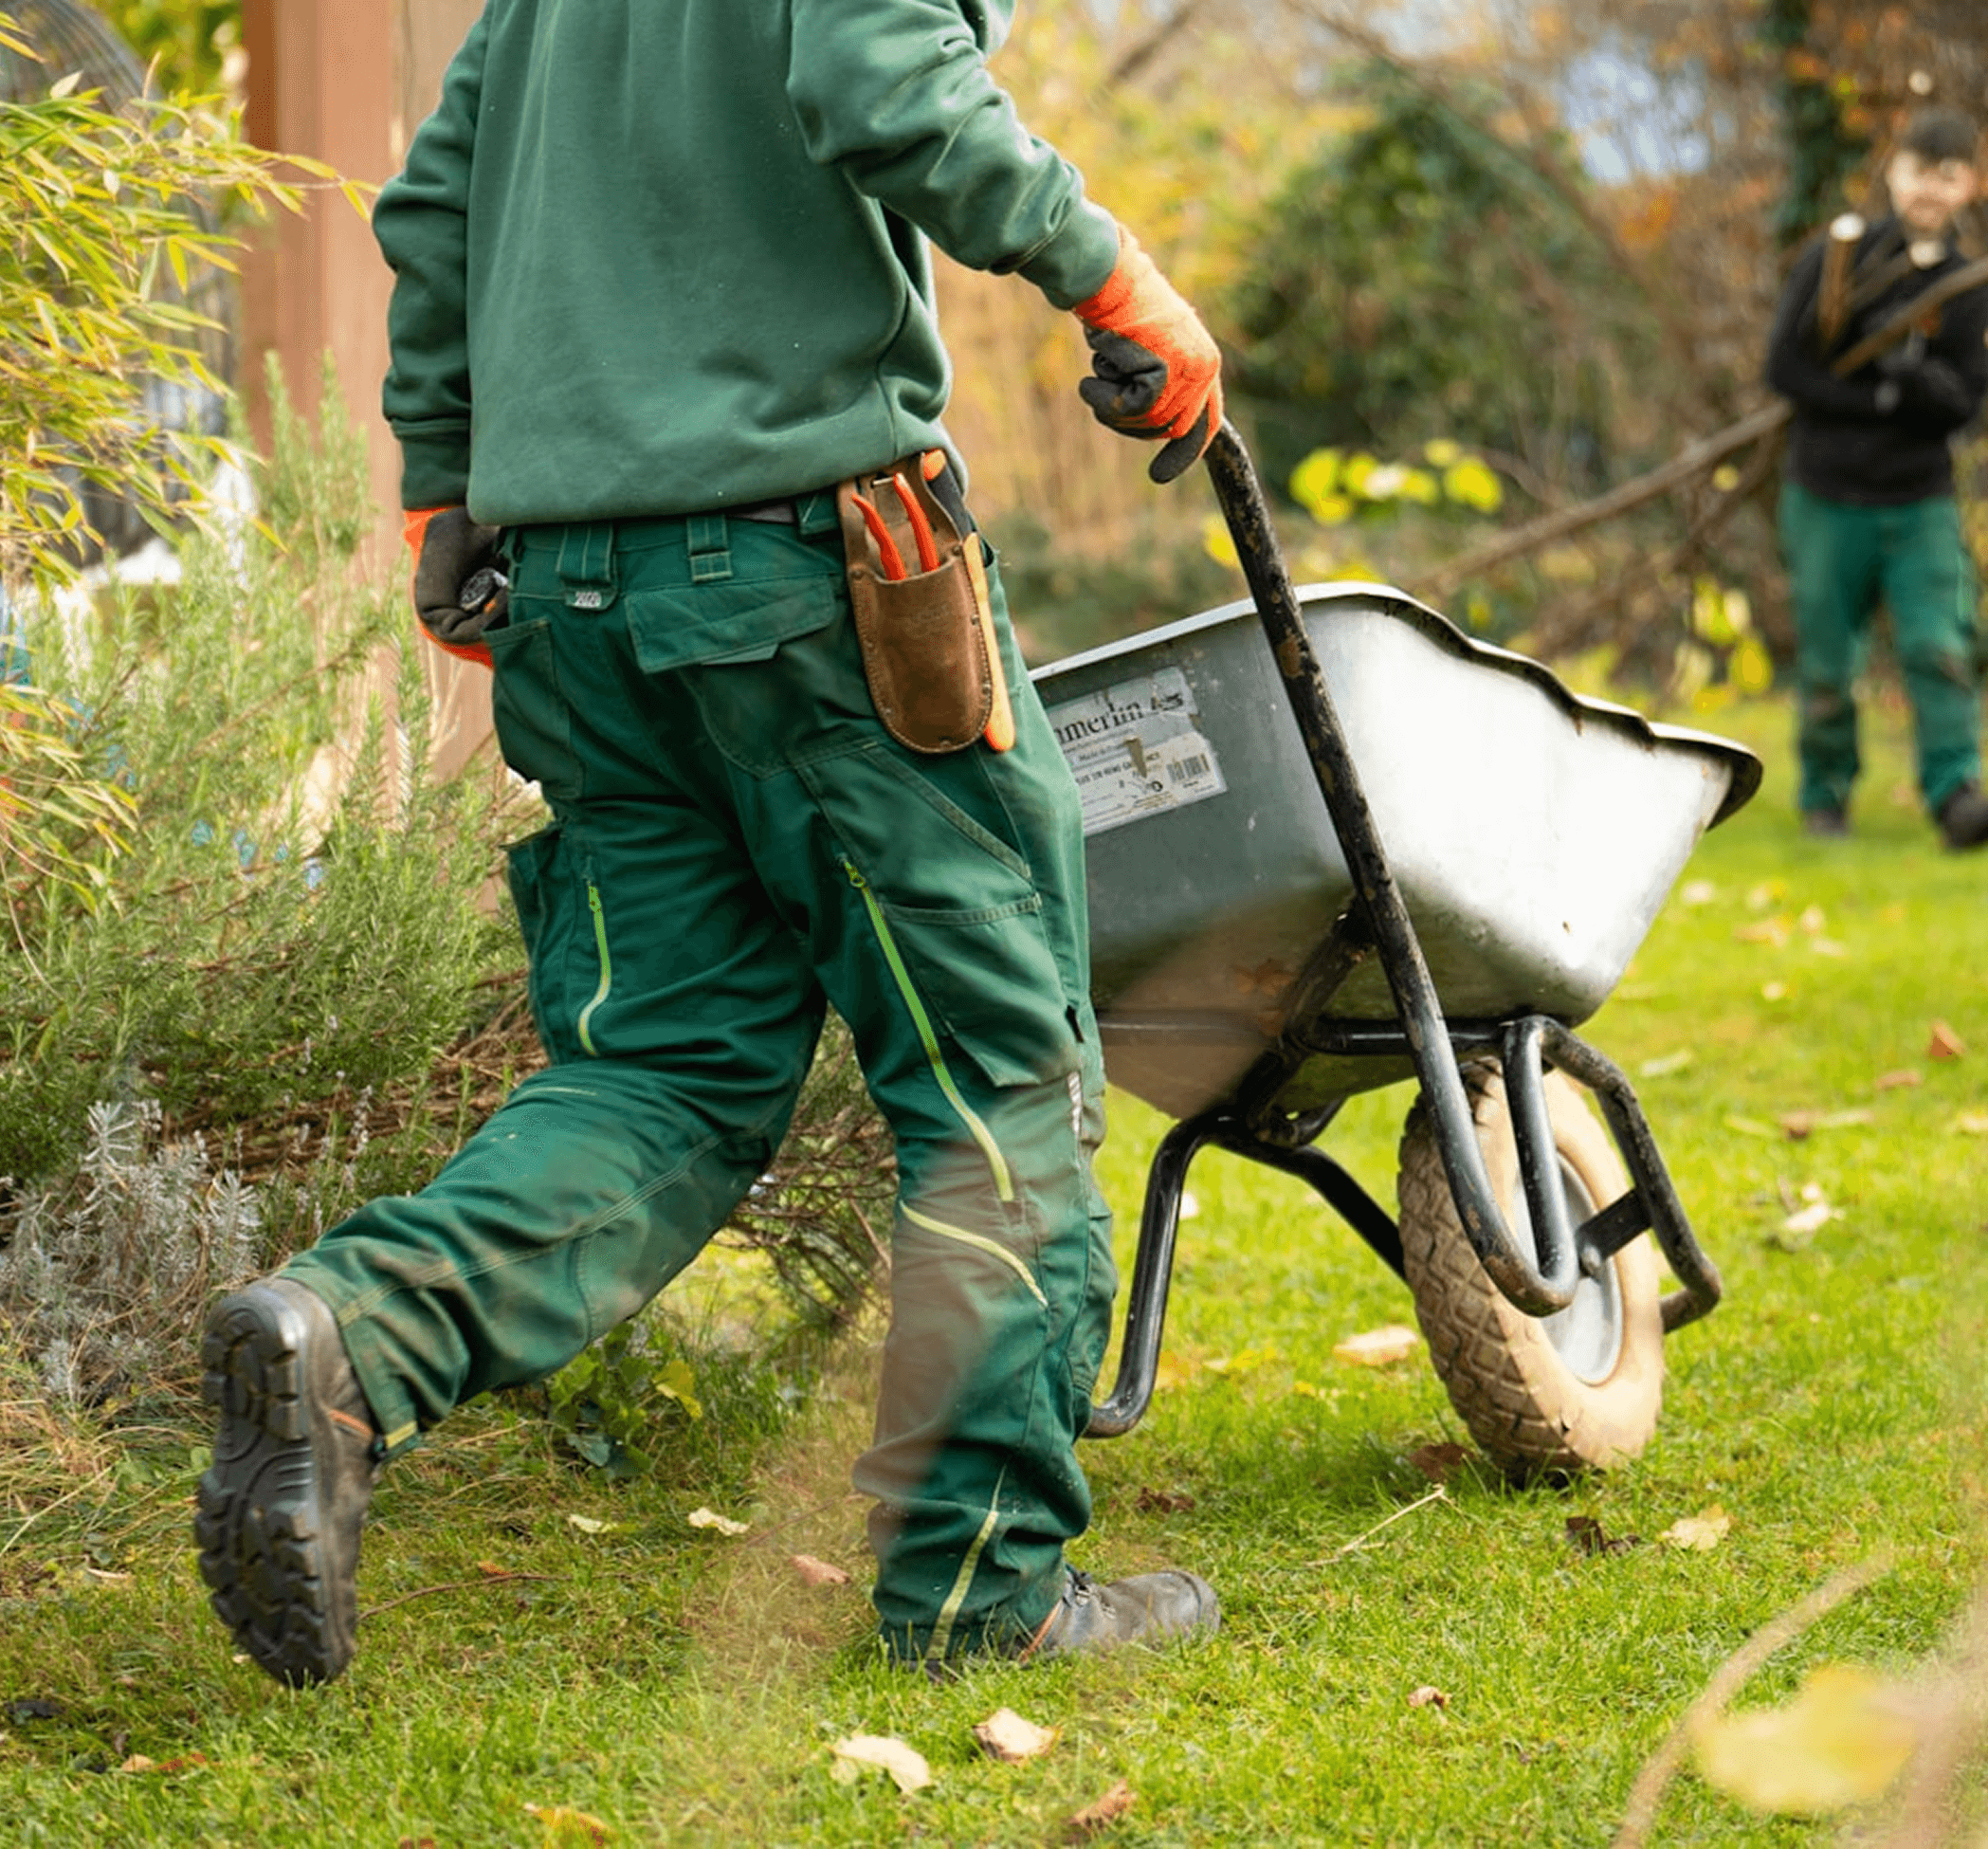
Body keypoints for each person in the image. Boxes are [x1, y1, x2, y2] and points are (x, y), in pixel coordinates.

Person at [193, 0, 1225, 1688]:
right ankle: (983, 1589)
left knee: (660, 1069)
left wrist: (445, 485)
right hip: (813, 579)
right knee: (995, 1077)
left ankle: (353, 1339)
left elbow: (437, 202)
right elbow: (883, 78)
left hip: (569, 595)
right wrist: (1114, 280)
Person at [1765, 106, 1988, 850]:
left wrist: (1919, 387)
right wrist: (1882, 400)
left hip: (1917, 500)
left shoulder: (1966, 285)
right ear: (1892, 172)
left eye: (1947, 176)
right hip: (1824, 493)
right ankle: (1824, 797)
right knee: (1827, 661)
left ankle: (1955, 795)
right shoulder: (1838, 258)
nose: (1929, 189)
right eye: (1919, 171)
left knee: (1938, 647)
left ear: (1968, 185)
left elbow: (1965, 404)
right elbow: (1784, 369)